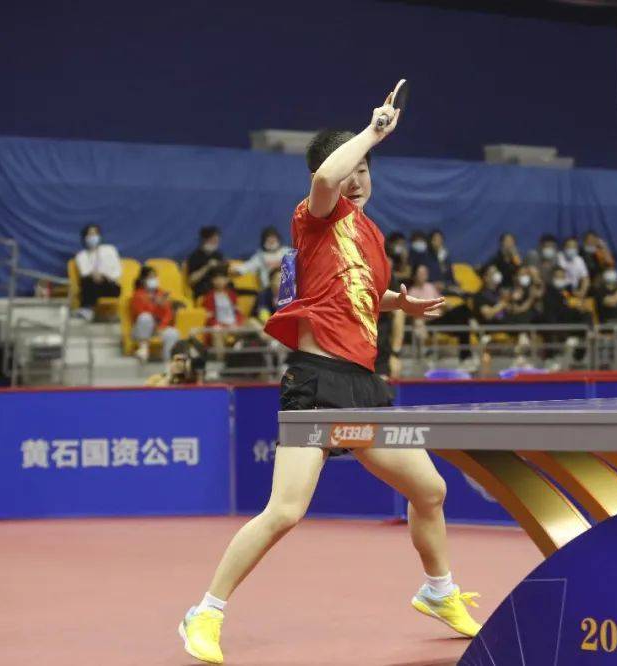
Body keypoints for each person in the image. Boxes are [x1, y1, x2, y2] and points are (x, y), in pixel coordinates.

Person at [180, 97, 480, 664]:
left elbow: (353, 293)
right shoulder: (316, 215)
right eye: (351, 170)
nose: (357, 180)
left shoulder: (370, 235)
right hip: (317, 382)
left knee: (430, 490)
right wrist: (372, 132)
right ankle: (206, 612)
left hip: (363, 385)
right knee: (285, 512)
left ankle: (438, 592)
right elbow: (324, 178)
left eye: (365, 170)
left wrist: (399, 305)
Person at [129, 266, 181, 363]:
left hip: (158, 329)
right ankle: (143, 349)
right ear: (143, 280)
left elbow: (168, 314)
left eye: (155, 277)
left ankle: (168, 362)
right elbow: (139, 314)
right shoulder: (137, 294)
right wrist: (155, 304)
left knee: (173, 333)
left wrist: (161, 327)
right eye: (150, 277)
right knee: (145, 317)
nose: (153, 279)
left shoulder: (161, 293)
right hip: (140, 330)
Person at [73, 224, 122, 321]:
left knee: (93, 282)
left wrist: (103, 275)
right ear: (85, 238)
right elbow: (84, 273)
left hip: (110, 286)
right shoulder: (81, 256)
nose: (93, 237)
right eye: (90, 234)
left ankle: (87, 309)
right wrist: (94, 275)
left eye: (95, 234)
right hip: (92, 284)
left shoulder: (110, 250)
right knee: (87, 280)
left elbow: (118, 271)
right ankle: (87, 310)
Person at [235, 227, 290, 292]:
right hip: (269, 289)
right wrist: (237, 270)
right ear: (264, 241)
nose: (271, 242)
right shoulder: (260, 256)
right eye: (268, 240)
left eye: (273, 239)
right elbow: (248, 266)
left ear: (278, 239)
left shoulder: (287, 252)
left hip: (288, 287)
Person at [186, 226, 225, 299]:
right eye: (213, 240)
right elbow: (191, 280)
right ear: (205, 240)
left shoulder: (218, 255)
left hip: (220, 288)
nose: (216, 243)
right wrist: (207, 266)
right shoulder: (195, 256)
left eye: (217, 241)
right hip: (204, 291)